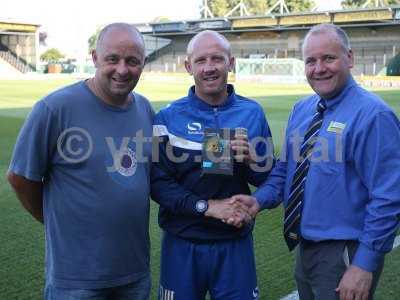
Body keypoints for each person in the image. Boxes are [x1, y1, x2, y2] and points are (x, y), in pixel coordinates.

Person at [233, 23, 400, 300]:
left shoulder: (374, 116)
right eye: (311, 61)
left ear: (350, 58)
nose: (319, 68)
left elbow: (389, 196)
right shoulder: (303, 109)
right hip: (306, 247)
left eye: (328, 58)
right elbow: (286, 171)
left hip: (347, 252)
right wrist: (259, 199)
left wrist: (363, 265)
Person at [7, 23, 154, 300]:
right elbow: (20, 177)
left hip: (134, 273)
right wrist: (52, 219)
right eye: (113, 59)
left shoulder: (145, 108)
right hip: (75, 280)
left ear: (143, 64)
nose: (122, 69)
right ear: (95, 58)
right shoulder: (54, 109)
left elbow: (151, 175)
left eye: (132, 61)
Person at [151, 30, 275, 300]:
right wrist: (206, 208)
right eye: (201, 60)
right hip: (183, 243)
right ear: (188, 66)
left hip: (234, 243)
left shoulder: (252, 113)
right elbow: (159, 184)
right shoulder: (168, 117)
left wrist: (254, 159)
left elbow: (267, 178)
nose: (209, 68)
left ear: (230, 63)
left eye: (217, 59)